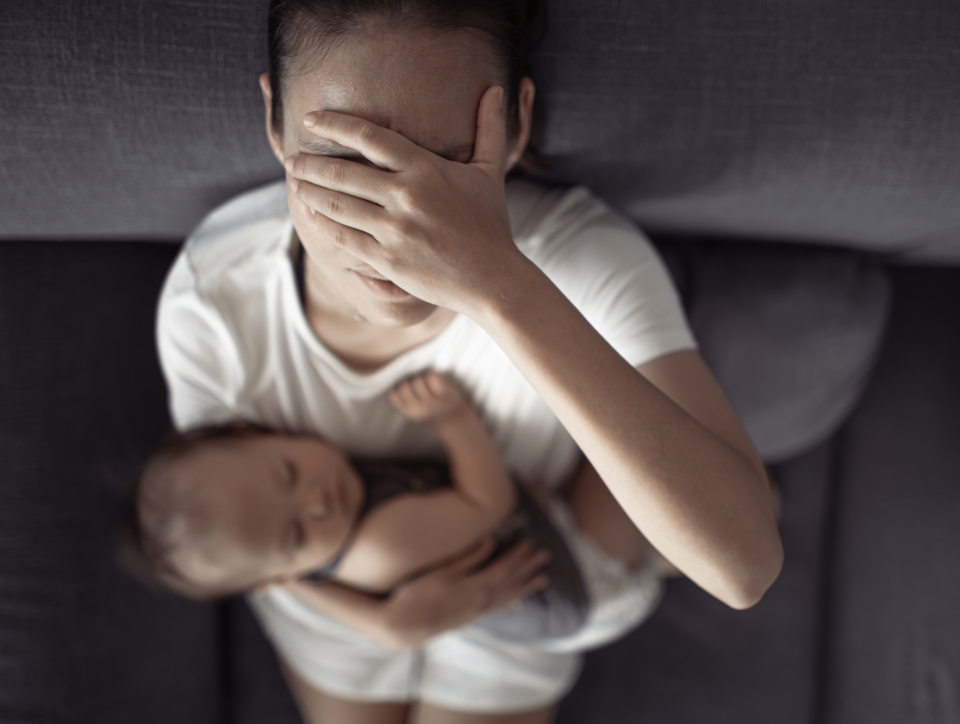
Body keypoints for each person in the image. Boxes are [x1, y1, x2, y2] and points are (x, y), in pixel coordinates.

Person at [156, 0, 784, 721]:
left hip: (522, 577)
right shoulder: (213, 302)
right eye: (345, 163)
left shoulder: (578, 261)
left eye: (447, 165)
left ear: (515, 126)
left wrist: (499, 285)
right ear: (275, 123)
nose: (398, 225)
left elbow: (743, 570)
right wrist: (375, 622)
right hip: (337, 598)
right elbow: (237, 541)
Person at [126, 370, 618, 644]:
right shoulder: (380, 546)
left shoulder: (289, 569)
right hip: (582, 572)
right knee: (626, 434)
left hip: (542, 536)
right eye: (296, 534)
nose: (317, 502)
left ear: (254, 432)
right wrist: (454, 421)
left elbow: (292, 582)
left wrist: (294, 553)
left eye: (287, 474)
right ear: (280, 571)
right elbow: (489, 503)